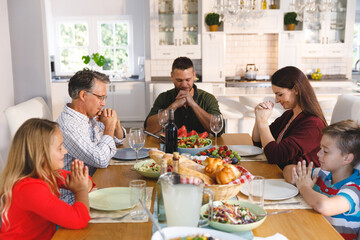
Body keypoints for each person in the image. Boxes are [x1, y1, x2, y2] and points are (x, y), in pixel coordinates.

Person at [0, 118, 94, 239]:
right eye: (60, 148)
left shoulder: (48, 174)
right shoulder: (29, 189)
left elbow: (86, 181)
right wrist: (80, 190)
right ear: (42, 155)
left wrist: (82, 184)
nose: (65, 151)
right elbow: (79, 219)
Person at [57, 69, 126, 204]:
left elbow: (117, 140)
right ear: (83, 95)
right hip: (75, 198)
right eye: (100, 97)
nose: (104, 103)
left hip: (94, 183)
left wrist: (115, 123)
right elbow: (101, 159)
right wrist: (109, 127)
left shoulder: (88, 117)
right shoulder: (69, 126)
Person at [283, 120, 360, 240]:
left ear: (347, 158)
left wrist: (304, 187)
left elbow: (324, 206)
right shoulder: (322, 173)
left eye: (325, 151)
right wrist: (297, 178)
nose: (318, 154)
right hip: (311, 232)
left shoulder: (354, 189)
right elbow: (288, 169)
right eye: (320, 148)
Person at [252, 66, 327, 169]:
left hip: (299, 182)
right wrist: (258, 118)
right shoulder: (289, 115)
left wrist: (263, 121)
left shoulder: (314, 124)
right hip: (280, 173)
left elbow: (275, 156)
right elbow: (259, 142)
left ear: (296, 89)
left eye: (280, 94)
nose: (276, 100)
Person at [144, 56, 224, 135]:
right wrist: (174, 106)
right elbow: (148, 129)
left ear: (194, 75)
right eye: (179, 80)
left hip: (201, 146)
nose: (184, 84)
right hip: (172, 145)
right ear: (172, 76)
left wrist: (193, 104)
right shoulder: (164, 97)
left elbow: (219, 129)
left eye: (188, 80)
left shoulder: (208, 98)